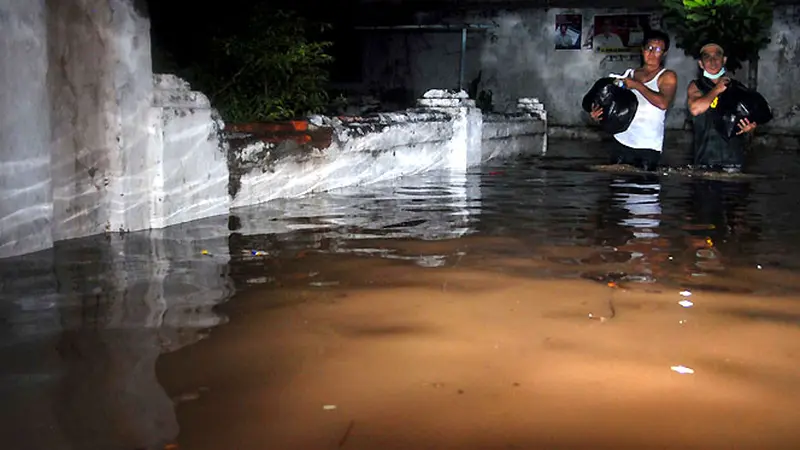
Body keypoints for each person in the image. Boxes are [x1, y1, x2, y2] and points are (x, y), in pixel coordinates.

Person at [590, 29, 678, 171]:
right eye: (649, 48)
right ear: (642, 50)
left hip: (648, 145)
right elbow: (613, 109)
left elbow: (663, 103)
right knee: (618, 188)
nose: (652, 53)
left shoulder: (667, 76)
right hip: (621, 140)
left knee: (645, 188)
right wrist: (598, 116)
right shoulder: (628, 75)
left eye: (657, 49)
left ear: (664, 53)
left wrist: (637, 85)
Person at [686, 43, 757, 173]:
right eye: (707, 57)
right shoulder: (696, 86)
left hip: (733, 162)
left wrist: (749, 129)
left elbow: (749, 127)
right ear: (701, 64)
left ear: (724, 60)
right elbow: (695, 109)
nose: (712, 61)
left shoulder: (738, 88)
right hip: (704, 162)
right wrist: (717, 89)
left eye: (716, 56)